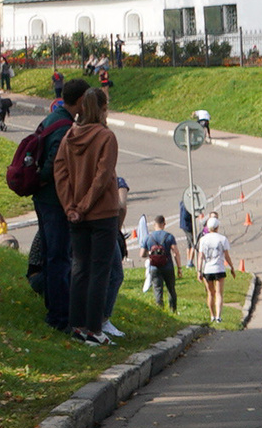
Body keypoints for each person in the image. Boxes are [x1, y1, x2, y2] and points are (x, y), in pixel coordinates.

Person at [52, 86, 126, 346]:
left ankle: (77, 326)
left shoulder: (69, 136)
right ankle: (95, 329)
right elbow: (103, 176)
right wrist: (83, 206)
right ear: (102, 109)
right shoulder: (106, 137)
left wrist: (70, 206)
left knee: (80, 268)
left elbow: (60, 173)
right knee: (100, 271)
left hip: (76, 215)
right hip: (102, 213)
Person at [23, 80, 88, 330]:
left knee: (52, 256)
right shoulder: (64, 128)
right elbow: (54, 164)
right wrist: (43, 181)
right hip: (54, 199)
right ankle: (60, 317)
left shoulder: (53, 119)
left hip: (44, 199)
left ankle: (55, 310)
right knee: (60, 258)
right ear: (80, 100)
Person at [194, 217, 233, 321]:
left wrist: (199, 271)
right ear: (217, 227)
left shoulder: (203, 239)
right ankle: (218, 317)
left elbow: (200, 256)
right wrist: (232, 267)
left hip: (207, 269)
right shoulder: (222, 238)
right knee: (219, 293)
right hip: (219, 268)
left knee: (210, 293)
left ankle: (212, 315)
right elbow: (226, 256)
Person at [140, 214, 180, 314]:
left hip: (154, 267)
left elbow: (141, 254)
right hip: (168, 266)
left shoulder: (148, 238)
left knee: (158, 289)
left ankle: (160, 311)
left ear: (154, 224)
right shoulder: (169, 236)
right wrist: (179, 267)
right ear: (164, 224)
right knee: (171, 288)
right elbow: (176, 252)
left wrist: (150, 254)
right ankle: (173, 310)